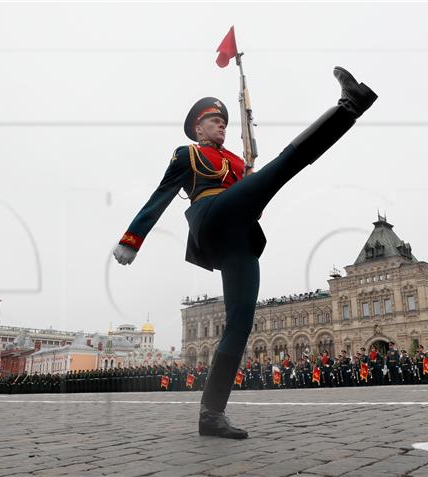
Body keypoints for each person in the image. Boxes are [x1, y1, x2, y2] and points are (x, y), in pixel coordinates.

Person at [113, 66, 376, 438]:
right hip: (213, 217)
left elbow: (255, 198)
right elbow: (162, 194)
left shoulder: (237, 161)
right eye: (214, 121)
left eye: (224, 121)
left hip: (240, 234)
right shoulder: (186, 154)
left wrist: (250, 182)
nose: (221, 126)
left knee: (240, 323)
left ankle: (211, 414)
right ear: (197, 128)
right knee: (282, 168)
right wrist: (132, 239)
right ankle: (350, 105)